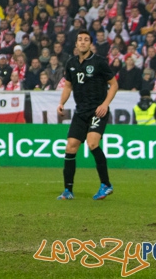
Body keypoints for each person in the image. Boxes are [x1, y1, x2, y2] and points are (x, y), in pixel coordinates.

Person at [57, 29, 119, 201]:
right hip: (80, 111)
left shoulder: (99, 62)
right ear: (76, 44)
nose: (83, 42)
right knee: (70, 147)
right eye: (80, 40)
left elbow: (113, 85)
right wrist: (62, 103)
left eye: (86, 40)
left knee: (92, 143)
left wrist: (105, 105)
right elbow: (68, 86)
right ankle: (68, 191)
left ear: (90, 43)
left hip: (97, 110)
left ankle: (106, 184)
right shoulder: (71, 63)